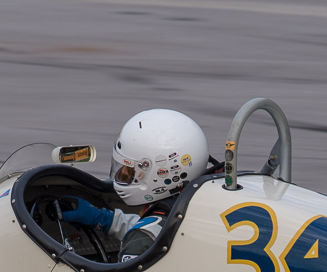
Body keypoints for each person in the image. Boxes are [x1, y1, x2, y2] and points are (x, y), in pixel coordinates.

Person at [56, 109, 211, 260]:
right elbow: (159, 229)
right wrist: (104, 219)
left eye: (127, 171)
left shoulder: (140, 240)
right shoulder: (202, 205)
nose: (121, 175)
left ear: (160, 172)